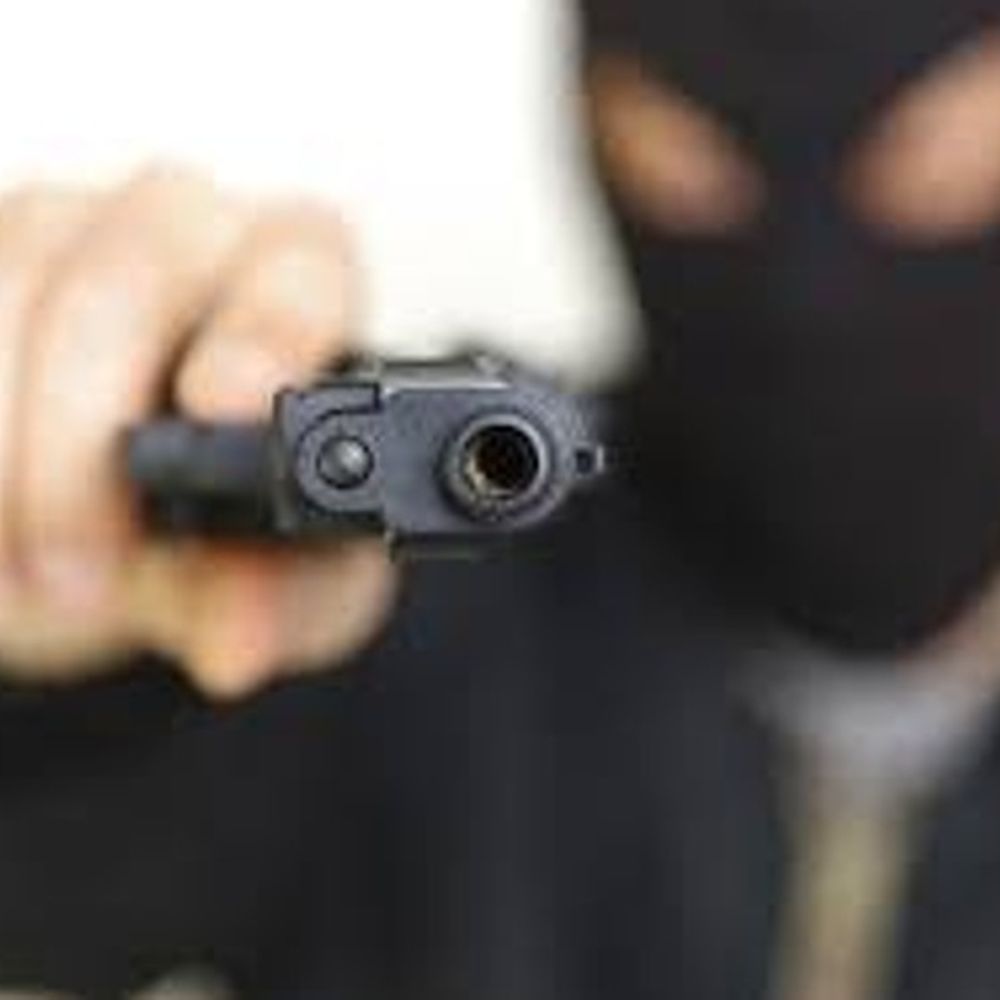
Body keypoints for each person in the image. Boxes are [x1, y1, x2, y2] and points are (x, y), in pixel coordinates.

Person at [2, 0, 1000, 996]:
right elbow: (67, 875)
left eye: (942, 164)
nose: (808, 295)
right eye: (688, 162)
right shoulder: (394, 620)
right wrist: (56, 656)